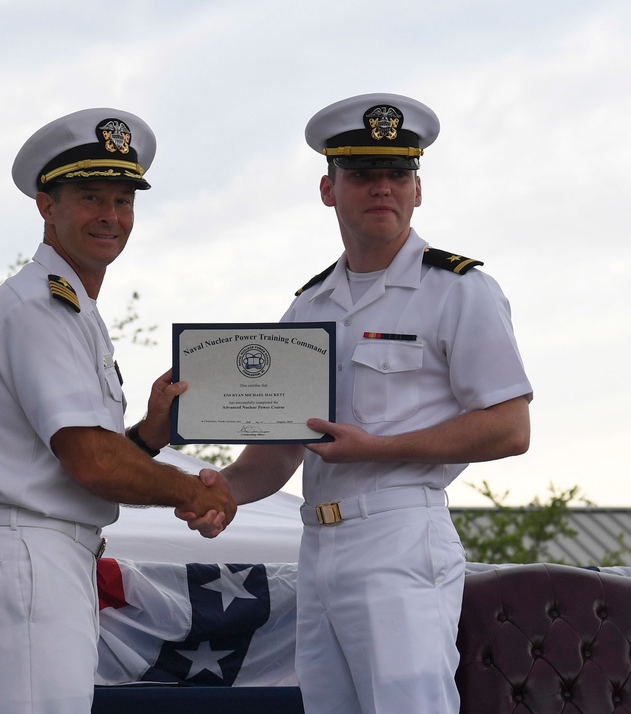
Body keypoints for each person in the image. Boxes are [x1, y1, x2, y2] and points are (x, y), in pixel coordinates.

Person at [180, 93, 533, 714]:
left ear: (417, 190)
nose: (383, 189)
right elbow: (284, 445)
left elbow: (510, 426)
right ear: (328, 188)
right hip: (318, 542)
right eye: (363, 174)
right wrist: (221, 491)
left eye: (399, 174)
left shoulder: (459, 289)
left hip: (400, 533)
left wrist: (381, 449)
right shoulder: (309, 306)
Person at [0, 107, 236, 714]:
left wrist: (150, 437)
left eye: (123, 200)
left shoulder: (73, 307)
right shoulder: (40, 307)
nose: (111, 215)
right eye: (89, 196)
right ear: (46, 206)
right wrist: (194, 490)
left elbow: (86, 454)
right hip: (30, 556)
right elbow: (92, 463)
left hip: (46, 557)